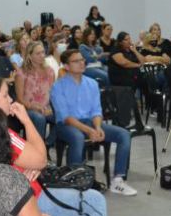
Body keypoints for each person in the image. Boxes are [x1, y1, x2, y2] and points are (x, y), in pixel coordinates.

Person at [0, 76, 110, 216]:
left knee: (78, 206)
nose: (11, 100)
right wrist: (26, 120)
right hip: (28, 201)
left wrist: (30, 166)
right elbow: (41, 159)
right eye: (5, 96)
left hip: (9, 199)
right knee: (94, 201)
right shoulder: (3, 134)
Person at [50, 50, 139, 196]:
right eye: (76, 61)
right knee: (77, 137)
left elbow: (96, 111)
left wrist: (97, 127)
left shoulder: (91, 84)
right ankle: (75, 180)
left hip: (90, 123)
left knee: (123, 134)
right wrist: (89, 130)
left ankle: (118, 180)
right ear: (66, 66)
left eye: (82, 60)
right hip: (66, 125)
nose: (81, 63)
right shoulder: (58, 87)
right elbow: (66, 117)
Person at [15, 41, 57, 143]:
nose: (42, 55)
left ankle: (47, 144)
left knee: (64, 116)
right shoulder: (21, 73)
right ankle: (38, 148)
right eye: (38, 53)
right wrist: (32, 106)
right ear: (30, 55)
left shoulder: (50, 71)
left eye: (43, 52)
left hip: (46, 107)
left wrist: (52, 108)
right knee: (39, 118)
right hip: (28, 107)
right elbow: (19, 99)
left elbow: (53, 94)